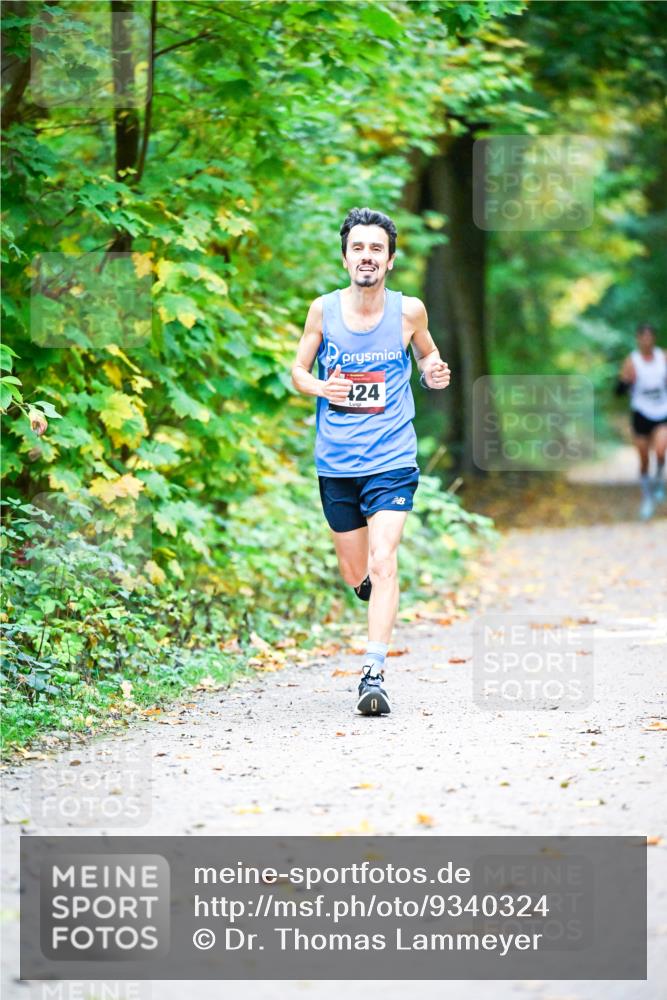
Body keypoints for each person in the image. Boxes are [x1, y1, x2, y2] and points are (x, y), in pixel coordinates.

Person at [291, 207, 450, 715]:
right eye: (358, 248)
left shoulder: (410, 312)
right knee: (355, 570)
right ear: (345, 258)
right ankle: (367, 586)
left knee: (384, 561)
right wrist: (320, 385)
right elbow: (298, 369)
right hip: (336, 461)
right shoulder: (323, 311)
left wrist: (432, 371)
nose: (367, 256)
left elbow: (428, 354)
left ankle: (373, 671)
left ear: (390, 259)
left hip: (391, 456)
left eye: (376, 249)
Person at [616, 323, 667, 520]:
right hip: (641, 413)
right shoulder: (632, 361)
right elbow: (618, 390)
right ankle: (647, 497)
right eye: (643, 337)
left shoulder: (663, 357)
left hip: (662, 411)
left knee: (661, 449)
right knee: (644, 458)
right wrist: (628, 381)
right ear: (638, 339)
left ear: (653, 338)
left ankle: (659, 481)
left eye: (650, 337)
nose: (647, 340)